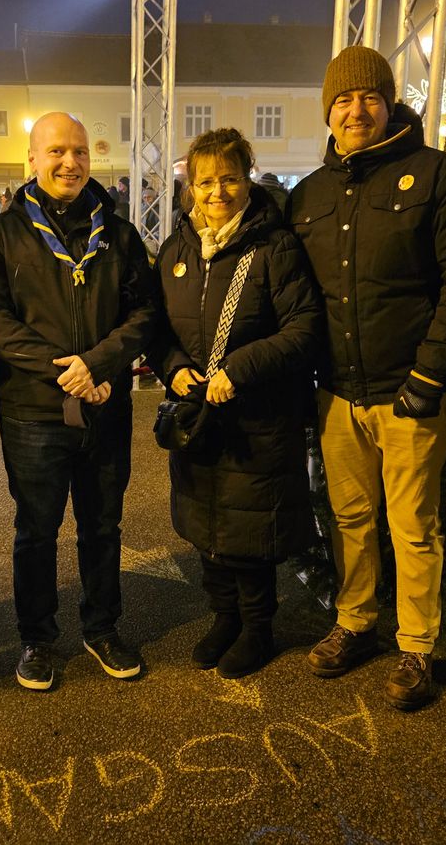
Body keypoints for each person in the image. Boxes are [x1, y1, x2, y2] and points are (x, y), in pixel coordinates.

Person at [287, 46, 446, 710]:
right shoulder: (310, 195)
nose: (356, 110)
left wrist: (430, 375)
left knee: (413, 525)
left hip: (409, 394)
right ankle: (354, 622)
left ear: (389, 103)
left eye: (369, 97)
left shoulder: (436, 176)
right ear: (329, 110)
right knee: (349, 518)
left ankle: (416, 646)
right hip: (336, 392)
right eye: (344, 100)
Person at [0, 112, 159, 691]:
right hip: (34, 412)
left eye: (79, 151)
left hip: (106, 403)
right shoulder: (0, 236)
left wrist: (97, 366)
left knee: (103, 526)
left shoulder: (120, 235)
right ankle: (37, 638)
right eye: (56, 151)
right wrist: (68, 371)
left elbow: (145, 314)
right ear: (32, 159)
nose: (69, 162)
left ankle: (101, 628)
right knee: (36, 530)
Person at [151, 128, 322, 678]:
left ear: (247, 179)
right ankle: (223, 618)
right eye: (205, 181)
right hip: (200, 418)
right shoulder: (177, 247)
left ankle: (257, 629)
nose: (217, 191)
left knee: (250, 534)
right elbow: (158, 329)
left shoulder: (274, 246)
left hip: (258, 416)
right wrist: (175, 369)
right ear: (190, 187)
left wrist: (240, 371)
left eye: (228, 178)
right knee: (207, 526)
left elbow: (304, 327)